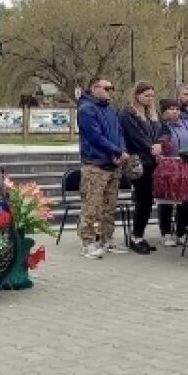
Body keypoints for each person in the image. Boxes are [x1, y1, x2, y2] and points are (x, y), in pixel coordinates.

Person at [75, 78, 128, 259]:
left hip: (113, 165)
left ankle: (107, 239)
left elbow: (119, 133)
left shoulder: (111, 110)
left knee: (109, 206)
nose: (109, 91)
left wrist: (121, 151)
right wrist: (116, 150)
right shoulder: (86, 109)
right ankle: (88, 242)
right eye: (106, 88)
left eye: (111, 88)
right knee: (92, 206)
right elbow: (95, 137)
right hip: (95, 164)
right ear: (94, 88)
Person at [119, 82, 164, 254]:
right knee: (142, 199)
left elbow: (162, 131)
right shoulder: (128, 113)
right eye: (146, 95)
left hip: (153, 161)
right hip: (138, 161)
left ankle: (139, 234)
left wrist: (160, 144)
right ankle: (135, 237)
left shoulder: (152, 113)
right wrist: (151, 147)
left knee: (147, 201)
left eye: (152, 95)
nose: (150, 99)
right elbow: (135, 135)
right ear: (137, 95)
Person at [157, 97, 188, 247]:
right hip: (168, 166)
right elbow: (159, 143)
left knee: (186, 200)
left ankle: (181, 233)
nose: (175, 112)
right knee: (166, 201)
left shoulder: (187, 124)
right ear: (163, 112)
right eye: (171, 109)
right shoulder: (161, 126)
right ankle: (166, 233)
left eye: (177, 109)